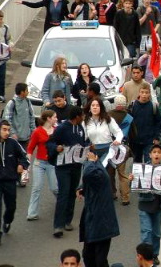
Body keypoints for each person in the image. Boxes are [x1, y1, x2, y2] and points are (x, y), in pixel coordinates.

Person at [49, 106, 88, 238]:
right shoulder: (62, 128)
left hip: (76, 165)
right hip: (63, 166)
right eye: (81, 115)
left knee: (72, 192)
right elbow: (50, 142)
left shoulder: (80, 128)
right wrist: (56, 148)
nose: (83, 118)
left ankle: (67, 220)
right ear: (76, 117)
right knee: (63, 193)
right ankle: (57, 225)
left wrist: (87, 148)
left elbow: (82, 143)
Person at [77, 151, 120, 267]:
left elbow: (89, 174)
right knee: (87, 255)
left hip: (102, 225)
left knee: (100, 260)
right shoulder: (98, 170)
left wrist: (90, 162)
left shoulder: (100, 173)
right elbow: (89, 179)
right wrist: (82, 188)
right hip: (93, 224)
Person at [131, 145, 161, 265]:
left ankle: (154, 254)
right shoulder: (142, 169)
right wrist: (133, 180)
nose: (156, 154)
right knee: (147, 232)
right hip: (144, 205)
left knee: (156, 233)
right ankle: (146, 258)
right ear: (150, 155)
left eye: (159, 152)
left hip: (158, 206)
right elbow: (136, 187)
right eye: (154, 152)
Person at [0, 120, 29, 244]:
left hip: (10, 180)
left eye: (8, 130)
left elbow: (24, 157)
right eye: (4, 129)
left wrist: (22, 165)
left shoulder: (13, 143)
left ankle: (7, 220)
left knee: (11, 206)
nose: (7, 132)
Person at [108, 95, 134, 206]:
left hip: (110, 147)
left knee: (110, 173)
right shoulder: (129, 117)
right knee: (122, 174)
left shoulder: (108, 116)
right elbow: (133, 134)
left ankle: (112, 193)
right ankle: (125, 197)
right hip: (122, 148)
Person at [130, 83, 161, 163]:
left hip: (149, 140)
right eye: (142, 92)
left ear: (149, 93)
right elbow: (129, 123)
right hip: (135, 141)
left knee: (149, 163)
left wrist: (156, 137)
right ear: (139, 93)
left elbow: (158, 123)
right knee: (136, 164)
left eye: (146, 92)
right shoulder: (133, 106)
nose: (144, 95)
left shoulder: (153, 106)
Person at [4, 82, 35, 152]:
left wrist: (33, 131)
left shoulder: (27, 101)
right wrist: (12, 133)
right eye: (26, 90)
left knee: (24, 159)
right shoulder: (12, 103)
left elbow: (32, 117)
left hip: (26, 138)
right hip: (15, 139)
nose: (28, 92)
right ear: (22, 92)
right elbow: (7, 120)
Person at [0, 10, 12, 103]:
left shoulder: (6, 28)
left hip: (2, 57)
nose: (0, 20)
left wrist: (10, 45)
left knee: (1, 76)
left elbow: (9, 39)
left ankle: (1, 95)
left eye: (1, 18)